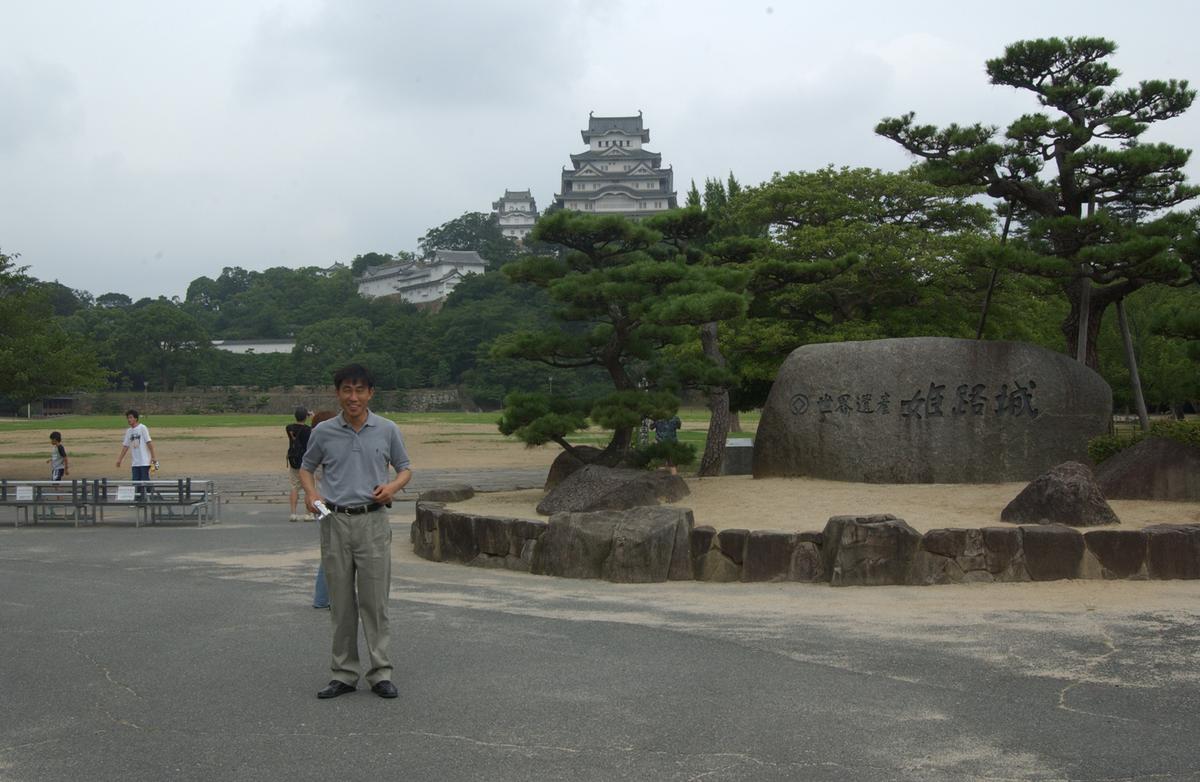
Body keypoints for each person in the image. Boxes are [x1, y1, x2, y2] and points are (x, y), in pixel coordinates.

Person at [300, 364, 412, 700]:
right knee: (341, 603)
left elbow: (405, 468)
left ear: (370, 393)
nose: (353, 397)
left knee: (375, 602)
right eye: (347, 390)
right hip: (334, 521)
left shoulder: (387, 429)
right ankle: (344, 673)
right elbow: (307, 468)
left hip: (373, 521)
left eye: (360, 390)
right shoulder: (323, 432)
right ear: (337, 393)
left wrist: (392, 487)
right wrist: (311, 493)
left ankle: (380, 672)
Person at [307, 410, 337, 610]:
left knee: (330, 553)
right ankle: (323, 598)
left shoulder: (316, 444)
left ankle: (323, 597)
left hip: (322, 504)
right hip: (329, 504)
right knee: (333, 554)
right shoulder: (324, 445)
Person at [115, 409, 158, 482]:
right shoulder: (129, 431)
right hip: (135, 463)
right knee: (135, 483)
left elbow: (149, 442)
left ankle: (151, 493)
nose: (129, 420)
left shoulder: (142, 428)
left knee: (144, 481)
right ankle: (142, 493)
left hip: (144, 461)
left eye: (131, 417)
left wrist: (153, 457)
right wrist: (119, 459)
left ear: (136, 418)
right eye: (128, 418)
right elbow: (125, 446)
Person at [285, 407, 312, 522]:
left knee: (294, 486)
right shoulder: (308, 430)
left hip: (294, 460)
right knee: (308, 487)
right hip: (305, 461)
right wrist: (313, 416)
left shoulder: (289, 428)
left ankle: (293, 513)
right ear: (306, 416)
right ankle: (308, 513)